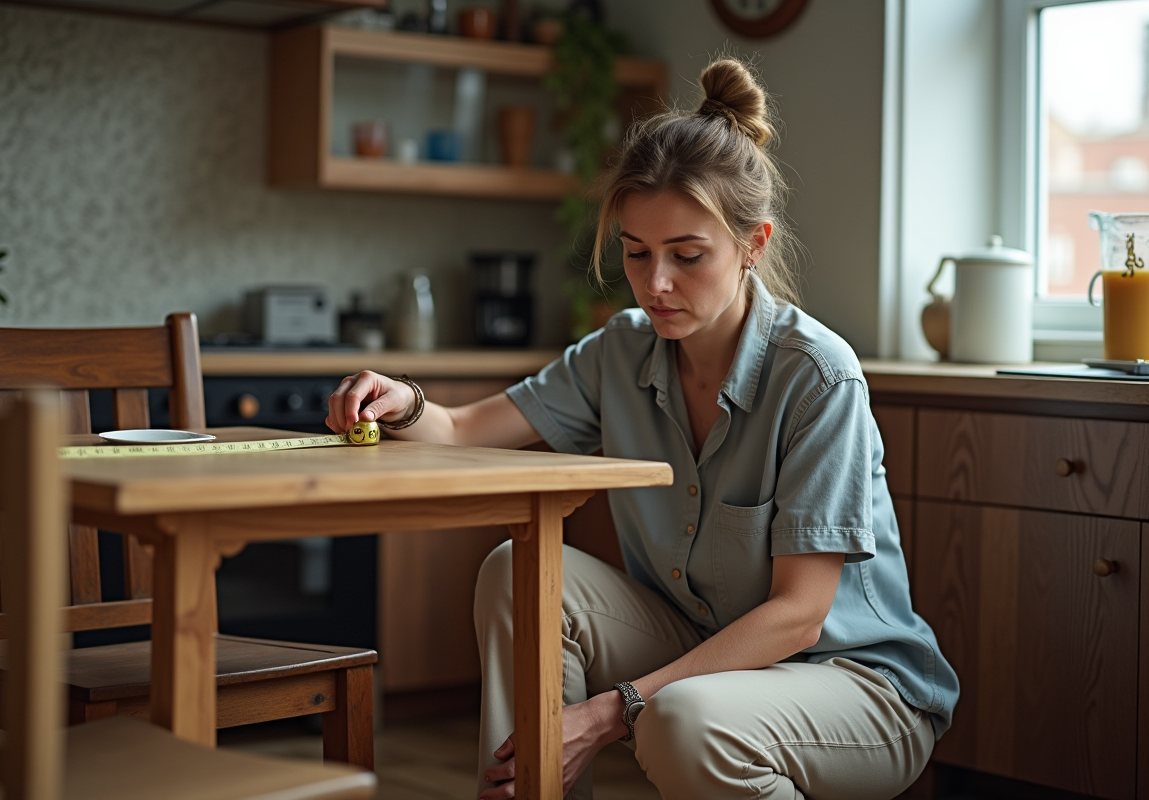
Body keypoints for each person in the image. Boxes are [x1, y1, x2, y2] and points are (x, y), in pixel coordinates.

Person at [326, 58, 958, 800]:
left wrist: (613, 709)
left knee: (678, 719)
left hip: (855, 683)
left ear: (753, 244)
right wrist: (401, 401)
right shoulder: (619, 351)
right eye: (635, 253)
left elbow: (797, 618)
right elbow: (463, 429)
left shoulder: (818, 376)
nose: (656, 283)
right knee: (517, 573)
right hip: (705, 649)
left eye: (687, 256)